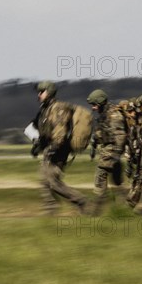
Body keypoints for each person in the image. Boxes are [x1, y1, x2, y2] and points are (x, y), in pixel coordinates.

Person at [31, 81, 88, 215]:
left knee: (53, 183)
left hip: (58, 150)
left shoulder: (58, 108)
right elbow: (44, 131)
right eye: (39, 92)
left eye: (42, 91)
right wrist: (37, 146)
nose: (39, 95)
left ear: (49, 92)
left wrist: (53, 148)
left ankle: (80, 200)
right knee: (45, 181)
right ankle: (50, 211)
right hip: (50, 149)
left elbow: (60, 132)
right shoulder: (46, 109)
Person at [86, 89, 127, 216]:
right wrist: (93, 144)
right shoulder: (103, 114)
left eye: (94, 104)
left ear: (101, 102)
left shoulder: (114, 115)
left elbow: (120, 136)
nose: (93, 108)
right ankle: (124, 208)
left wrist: (116, 155)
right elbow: (100, 133)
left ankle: (95, 211)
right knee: (118, 182)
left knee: (100, 178)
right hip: (108, 151)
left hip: (112, 152)